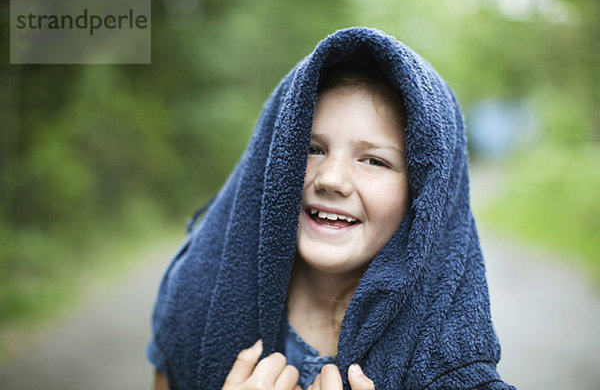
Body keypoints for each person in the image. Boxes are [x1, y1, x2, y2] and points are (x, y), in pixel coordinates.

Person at [147, 27, 516, 390]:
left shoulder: (448, 360)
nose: (331, 179)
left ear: (423, 194)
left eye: (374, 161)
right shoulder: (195, 298)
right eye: (313, 148)